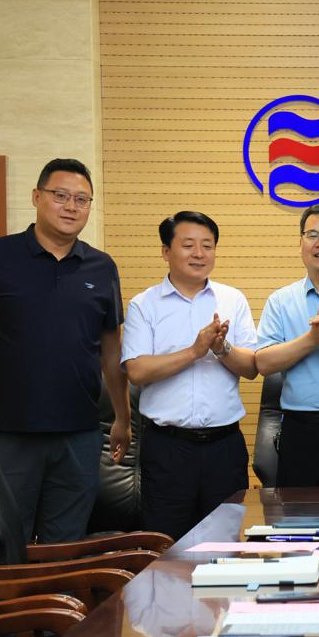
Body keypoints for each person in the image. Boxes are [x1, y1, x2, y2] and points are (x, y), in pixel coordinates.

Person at [0, 158, 129, 543]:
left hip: (80, 433)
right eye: (60, 196)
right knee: (8, 542)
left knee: (67, 545)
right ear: (36, 197)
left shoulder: (102, 267)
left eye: (82, 199)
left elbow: (112, 351)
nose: (71, 206)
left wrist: (123, 418)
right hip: (8, 434)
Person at [121, 211, 258, 541]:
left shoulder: (232, 299)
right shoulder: (144, 305)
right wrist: (194, 351)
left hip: (224, 447)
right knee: (165, 546)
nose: (199, 253)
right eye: (188, 245)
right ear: (166, 251)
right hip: (168, 449)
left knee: (226, 546)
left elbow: (252, 367)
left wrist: (222, 348)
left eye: (207, 246)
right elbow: (137, 370)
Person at [255, 204, 319, 487]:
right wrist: (312, 340)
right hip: (301, 431)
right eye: (313, 235)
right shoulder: (281, 301)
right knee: (300, 511)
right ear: (300, 243)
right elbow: (263, 363)